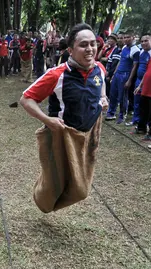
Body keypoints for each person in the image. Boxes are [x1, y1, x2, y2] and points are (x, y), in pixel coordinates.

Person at [20, 23, 108, 213]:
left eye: (93, 44)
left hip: (89, 135)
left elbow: (101, 87)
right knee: (54, 185)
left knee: (81, 190)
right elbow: (26, 99)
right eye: (83, 45)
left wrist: (103, 98)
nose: (90, 49)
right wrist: (47, 120)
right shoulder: (57, 74)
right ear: (70, 50)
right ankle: (41, 197)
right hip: (62, 136)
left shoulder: (99, 69)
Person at [106, 29, 140, 124]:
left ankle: (122, 115)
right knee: (113, 94)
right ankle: (111, 112)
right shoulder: (124, 47)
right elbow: (120, 62)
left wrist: (129, 80)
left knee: (123, 96)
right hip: (118, 73)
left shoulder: (136, 50)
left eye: (128, 37)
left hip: (126, 74)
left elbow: (134, 66)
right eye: (124, 37)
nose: (126, 39)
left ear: (133, 38)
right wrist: (114, 74)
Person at [127, 33, 151, 126]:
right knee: (136, 100)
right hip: (138, 80)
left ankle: (144, 122)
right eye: (142, 41)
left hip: (147, 82)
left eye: (146, 41)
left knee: (144, 103)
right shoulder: (141, 51)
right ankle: (136, 120)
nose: (143, 43)